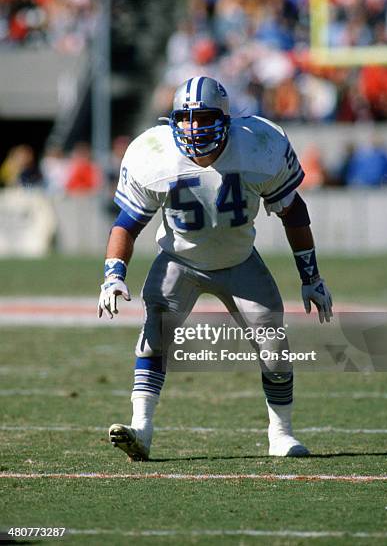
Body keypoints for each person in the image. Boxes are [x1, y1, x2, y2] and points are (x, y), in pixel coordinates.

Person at [98, 76, 333, 461]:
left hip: (239, 261)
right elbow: (127, 223)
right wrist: (113, 275)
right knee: (154, 335)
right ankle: (141, 426)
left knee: (275, 347)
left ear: (225, 118)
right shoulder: (154, 154)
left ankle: (281, 434)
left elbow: (294, 211)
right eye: (185, 119)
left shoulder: (258, 145)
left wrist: (312, 278)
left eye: (203, 117)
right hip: (179, 261)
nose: (193, 128)